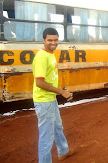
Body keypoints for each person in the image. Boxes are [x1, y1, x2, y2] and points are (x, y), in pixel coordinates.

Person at [33, 28, 75, 163]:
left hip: (50, 99)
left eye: (56, 40)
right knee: (46, 137)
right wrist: (61, 91)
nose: (53, 42)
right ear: (43, 40)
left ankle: (63, 151)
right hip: (44, 101)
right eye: (50, 40)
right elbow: (39, 82)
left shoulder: (50, 53)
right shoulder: (41, 56)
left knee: (57, 126)